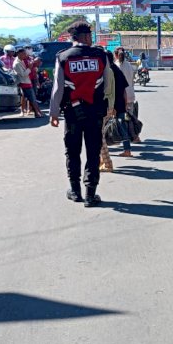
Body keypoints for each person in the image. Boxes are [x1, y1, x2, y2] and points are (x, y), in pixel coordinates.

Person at [49, 21, 111, 207]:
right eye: (89, 35)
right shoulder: (101, 56)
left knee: (72, 151)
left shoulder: (63, 57)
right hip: (95, 112)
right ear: (84, 37)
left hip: (72, 113)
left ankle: (75, 191)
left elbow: (58, 88)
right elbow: (107, 83)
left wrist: (53, 112)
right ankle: (90, 194)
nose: (91, 39)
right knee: (93, 152)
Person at [107, 50, 132, 158]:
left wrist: (112, 106)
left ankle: (126, 149)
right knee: (121, 125)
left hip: (113, 104)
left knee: (118, 126)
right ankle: (126, 149)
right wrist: (125, 103)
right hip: (120, 102)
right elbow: (124, 90)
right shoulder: (117, 69)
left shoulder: (109, 71)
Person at [12, 47, 42, 118]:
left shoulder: (21, 60)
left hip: (27, 82)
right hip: (24, 83)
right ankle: (37, 113)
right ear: (19, 54)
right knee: (31, 99)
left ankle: (37, 112)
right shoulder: (17, 63)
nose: (25, 55)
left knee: (32, 98)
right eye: (24, 54)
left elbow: (33, 70)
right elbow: (23, 74)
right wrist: (29, 67)